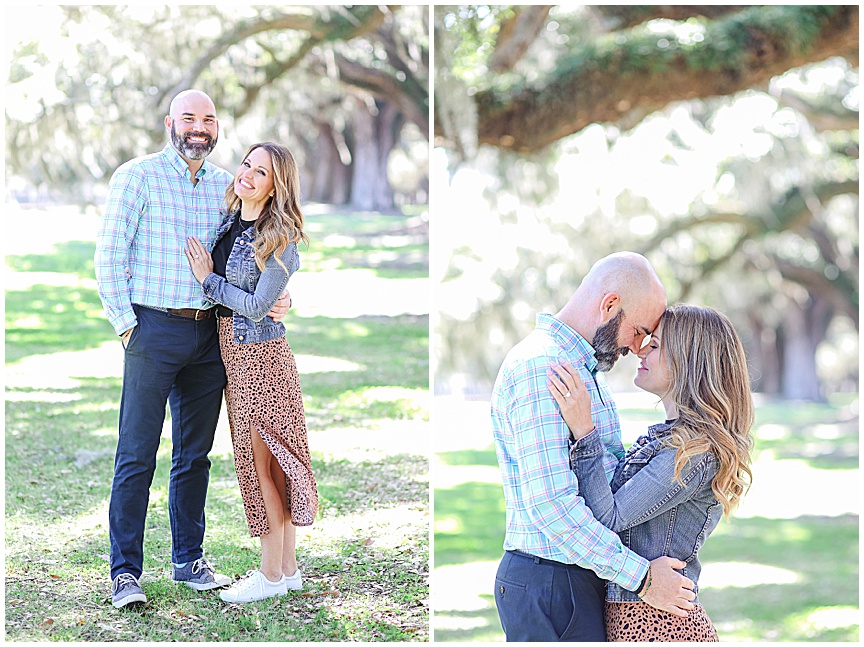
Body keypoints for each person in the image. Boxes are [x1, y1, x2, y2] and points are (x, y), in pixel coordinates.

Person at [94, 90, 290, 609]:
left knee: (194, 455)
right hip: (151, 331)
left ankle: (189, 560)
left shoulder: (228, 186)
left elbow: (257, 250)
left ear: (217, 126)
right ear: (170, 123)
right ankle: (125, 573)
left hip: (210, 336)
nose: (199, 127)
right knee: (136, 455)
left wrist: (281, 294)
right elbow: (109, 257)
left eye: (208, 119)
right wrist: (126, 327)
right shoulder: (136, 177)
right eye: (189, 118)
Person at [491, 252, 697, 642]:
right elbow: (552, 507)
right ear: (609, 305)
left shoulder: (585, 371)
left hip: (576, 578)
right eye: (639, 331)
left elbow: (610, 479)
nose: (639, 348)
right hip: (550, 584)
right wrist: (642, 579)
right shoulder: (543, 367)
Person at [548, 304, 754, 641]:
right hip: (637, 617)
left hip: (660, 626)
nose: (640, 349)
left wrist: (585, 431)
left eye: (655, 345)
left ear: (689, 362)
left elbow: (608, 517)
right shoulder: (669, 440)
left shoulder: (692, 453)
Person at [185, 141, 319, 604]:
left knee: (265, 462)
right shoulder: (231, 221)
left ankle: (270, 574)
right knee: (265, 460)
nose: (247, 175)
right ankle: (286, 569)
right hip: (235, 355)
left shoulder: (278, 236)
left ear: (275, 185)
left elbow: (261, 307)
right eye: (246, 164)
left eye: (260, 172)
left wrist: (209, 280)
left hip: (260, 359)